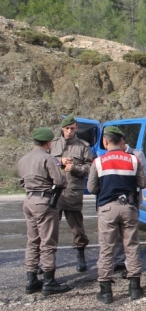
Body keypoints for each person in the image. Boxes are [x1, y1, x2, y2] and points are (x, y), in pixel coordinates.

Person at [87, 126, 146, 304]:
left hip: (107, 208)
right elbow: (142, 182)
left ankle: (106, 292)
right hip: (128, 206)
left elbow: (91, 188)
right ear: (121, 141)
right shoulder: (134, 159)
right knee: (132, 246)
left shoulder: (98, 161)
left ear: (105, 141)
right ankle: (135, 288)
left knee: (106, 248)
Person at [17, 127, 72, 296]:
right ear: (48, 143)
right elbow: (59, 181)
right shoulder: (48, 159)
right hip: (44, 201)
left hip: (29, 200)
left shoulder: (23, 159)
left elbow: (21, 182)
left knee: (32, 240)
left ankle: (31, 279)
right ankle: (49, 281)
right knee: (47, 241)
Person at [49, 115, 93, 272]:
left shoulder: (82, 146)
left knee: (77, 227)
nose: (69, 131)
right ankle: (47, 260)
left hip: (72, 189)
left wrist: (75, 168)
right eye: (67, 128)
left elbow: (89, 167)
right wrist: (59, 161)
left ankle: (80, 253)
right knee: (49, 226)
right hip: (54, 191)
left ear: (76, 129)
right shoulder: (52, 144)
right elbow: (45, 162)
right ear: (62, 128)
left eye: (72, 128)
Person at [114, 139, 146, 279]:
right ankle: (119, 260)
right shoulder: (111, 155)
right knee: (115, 233)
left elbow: (142, 180)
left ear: (122, 142)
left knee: (130, 235)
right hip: (114, 200)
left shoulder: (137, 155)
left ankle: (130, 266)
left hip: (131, 199)